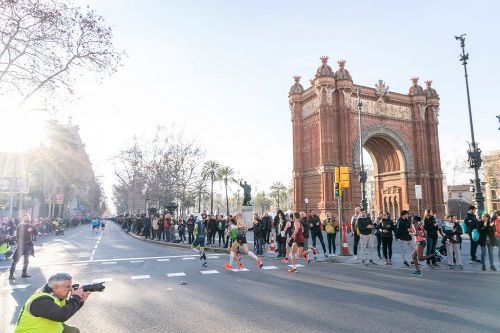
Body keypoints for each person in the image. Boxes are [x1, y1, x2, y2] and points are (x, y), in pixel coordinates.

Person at [14, 272, 89, 333]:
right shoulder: (41, 301)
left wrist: (80, 300)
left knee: (73, 331)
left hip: (47, 329)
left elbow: (68, 308)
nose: (70, 289)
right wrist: (76, 297)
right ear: (56, 287)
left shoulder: (55, 295)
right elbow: (62, 315)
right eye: (67, 287)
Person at [9, 215, 35, 280]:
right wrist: (27, 231)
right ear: (22, 218)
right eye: (25, 217)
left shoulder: (30, 225)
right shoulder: (20, 226)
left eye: (28, 217)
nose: (27, 218)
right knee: (16, 260)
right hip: (21, 245)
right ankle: (11, 275)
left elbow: (34, 233)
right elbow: (18, 236)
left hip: (29, 245)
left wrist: (33, 228)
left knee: (26, 260)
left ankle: (24, 273)